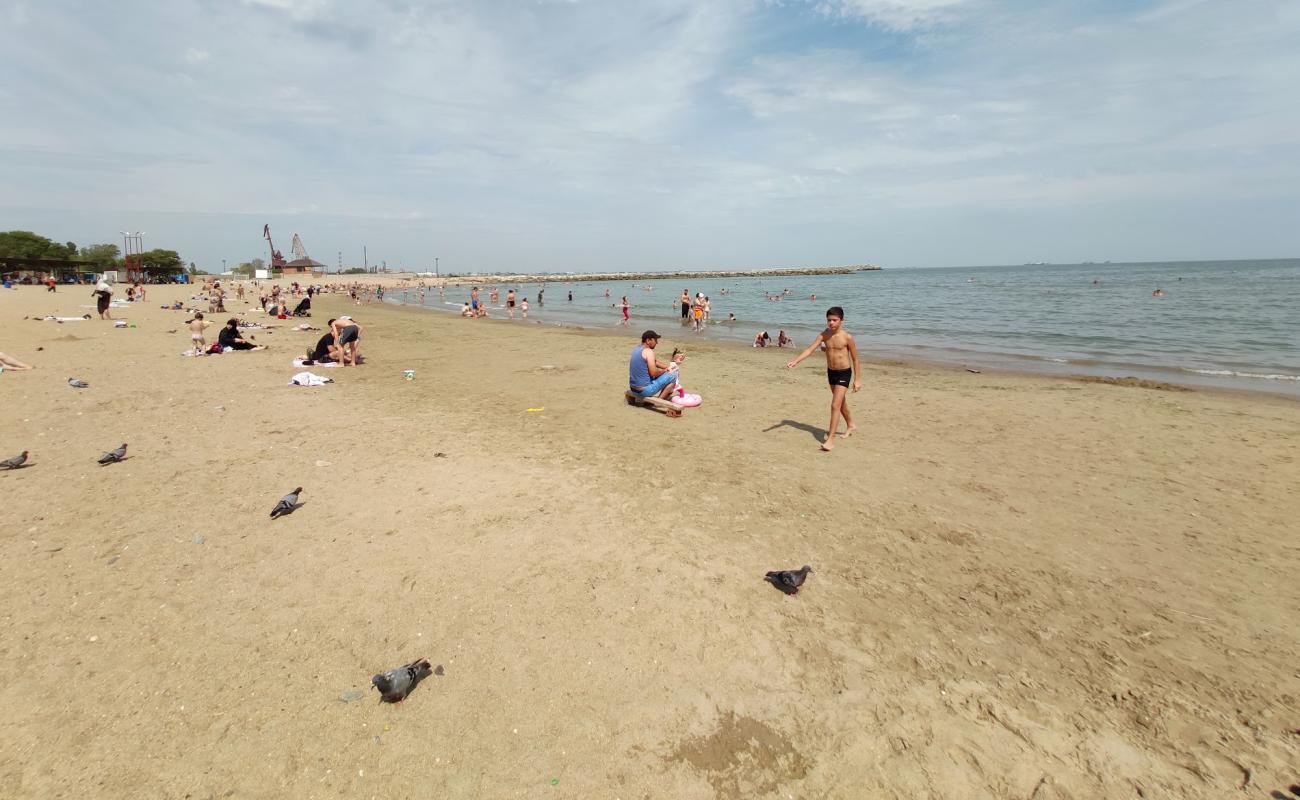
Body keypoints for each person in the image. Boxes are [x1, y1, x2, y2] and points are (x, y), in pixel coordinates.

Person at [786, 306, 861, 451]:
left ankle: (830, 440)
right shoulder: (823, 336)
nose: (831, 323)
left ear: (842, 320)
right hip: (831, 372)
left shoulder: (847, 337)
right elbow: (809, 349)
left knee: (834, 405)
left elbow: (856, 359)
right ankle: (851, 424)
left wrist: (857, 380)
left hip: (844, 373)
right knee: (840, 402)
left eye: (834, 320)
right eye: (829, 320)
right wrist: (796, 361)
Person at [628, 330, 678, 401]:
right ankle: (658, 401)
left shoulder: (636, 349)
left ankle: (661, 397)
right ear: (648, 340)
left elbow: (655, 362)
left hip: (633, 388)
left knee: (669, 372)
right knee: (674, 375)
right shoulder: (649, 352)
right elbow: (653, 373)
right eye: (655, 340)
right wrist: (665, 371)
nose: (657, 343)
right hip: (644, 391)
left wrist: (668, 367)